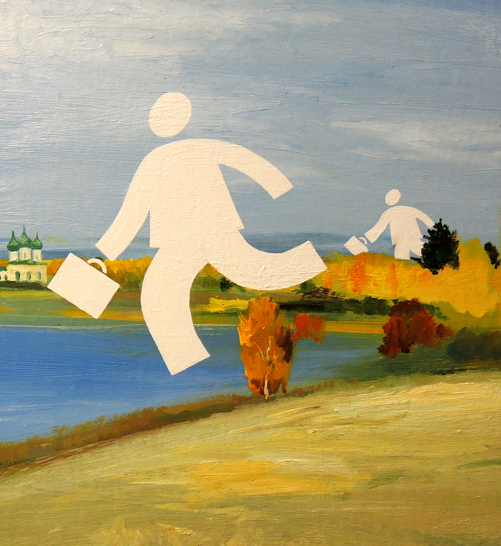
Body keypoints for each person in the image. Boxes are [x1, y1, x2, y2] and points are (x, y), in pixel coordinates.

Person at [97, 93, 325, 375]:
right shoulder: (166, 157)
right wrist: (278, 186)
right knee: (162, 296)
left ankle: (186, 361)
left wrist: (279, 186)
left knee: (172, 293)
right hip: (192, 234)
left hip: (203, 230)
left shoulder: (163, 157)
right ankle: (187, 362)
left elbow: (132, 212)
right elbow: (134, 210)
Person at [361, 189, 433, 260]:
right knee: (404, 254)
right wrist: (433, 226)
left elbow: (379, 228)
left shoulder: (389, 213)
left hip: (405, 238)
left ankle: (434, 258)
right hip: (408, 237)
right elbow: (423, 216)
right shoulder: (407, 209)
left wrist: (368, 238)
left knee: (411, 252)